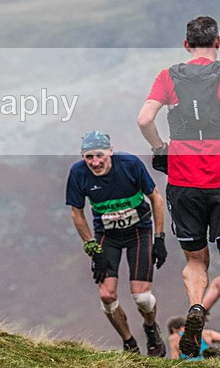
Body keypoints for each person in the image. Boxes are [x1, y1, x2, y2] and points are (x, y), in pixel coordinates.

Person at [137, 15, 220, 358]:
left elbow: (144, 119)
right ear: (217, 41)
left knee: (196, 260)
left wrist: (159, 150)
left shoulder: (168, 77)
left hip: (183, 182)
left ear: (186, 45)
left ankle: (196, 306)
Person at [65, 131, 167, 356]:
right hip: (107, 236)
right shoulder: (78, 173)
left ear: (110, 151)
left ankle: (151, 328)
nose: (95, 162)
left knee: (141, 296)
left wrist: (159, 239)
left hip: (138, 232)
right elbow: (76, 212)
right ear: (83, 157)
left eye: (99, 155)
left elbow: (156, 198)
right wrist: (92, 247)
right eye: (89, 157)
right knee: (106, 295)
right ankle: (129, 343)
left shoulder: (130, 164)